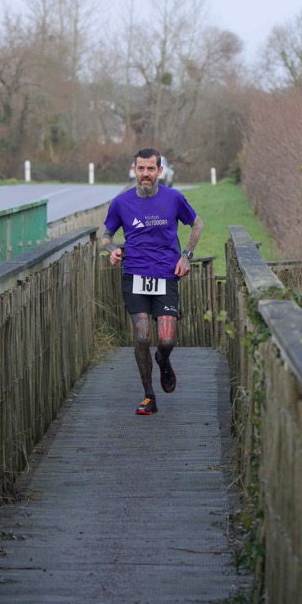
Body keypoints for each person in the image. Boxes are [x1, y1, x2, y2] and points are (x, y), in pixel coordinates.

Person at [101, 147, 202, 415]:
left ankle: (163, 359)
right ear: (134, 170)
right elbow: (105, 234)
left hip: (166, 274)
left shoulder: (174, 198)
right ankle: (149, 396)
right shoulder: (121, 202)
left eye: (150, 168)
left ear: (160, 170)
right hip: (134, 274)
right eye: (141, 168)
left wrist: (186, 256)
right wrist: (112, 249)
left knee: (166, 340)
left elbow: (197, 224)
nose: (145, 173)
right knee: (142, 336)